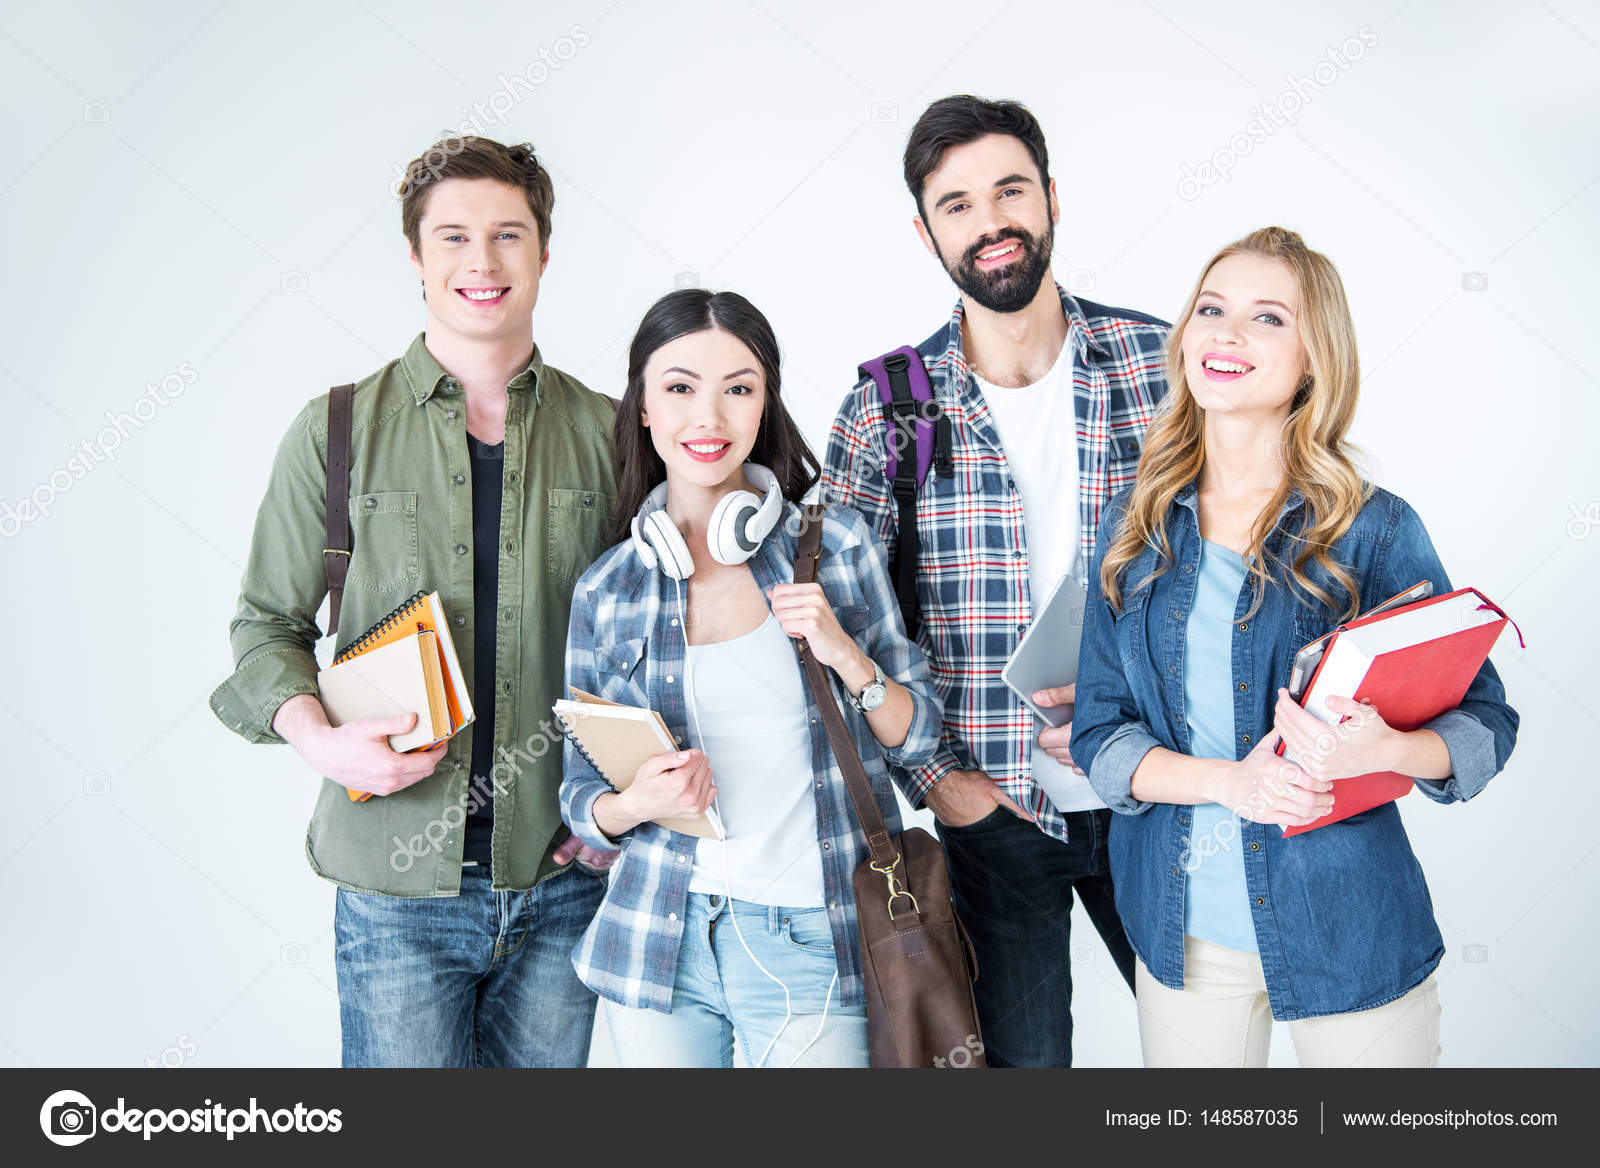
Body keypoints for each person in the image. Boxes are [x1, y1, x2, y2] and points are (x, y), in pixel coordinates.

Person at [209, 135, 619, 1067]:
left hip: (563, 879)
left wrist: (613, 829)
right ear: (415, 257)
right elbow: (264, 625)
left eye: (509, 235)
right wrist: (318, 737)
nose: (482, 262)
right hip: (395, 886)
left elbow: (650, 640)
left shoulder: (605, 429)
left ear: (545, 253)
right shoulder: (336, 428)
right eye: (454, 237)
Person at [1070, 226, 1520, 1067]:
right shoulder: (1132, 527)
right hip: (1182, 940)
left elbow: (1487, 723)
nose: (1228, 332)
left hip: (1349, 937)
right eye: (1212, 309)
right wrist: (1231, 785)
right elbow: (1099, 737)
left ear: (1314, 360)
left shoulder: (1374, 531)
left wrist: (1386, 749)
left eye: (1268, 317)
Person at [822, 94, 1166, 1066]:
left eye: (1010, 190)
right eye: (958, 203)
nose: (990, 221)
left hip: (1155, 786)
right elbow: (843, 625)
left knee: (1209, 1059)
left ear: (1051, 198)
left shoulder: (1158, 365)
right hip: (993, 813)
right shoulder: (885, 408)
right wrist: (940, 781)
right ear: (926, 230)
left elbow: (1228, 564)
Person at [559, 288, 942, 1067]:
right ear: (642, 407)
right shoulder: (610, 588)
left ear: (764, 405)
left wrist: (847, 655)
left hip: (814, 935)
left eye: (738, 388)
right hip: (661, 940)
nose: (710, 417)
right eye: (679, 388)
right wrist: (637, 802)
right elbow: (577, 797)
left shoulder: (836, 546)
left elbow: (921, 734)